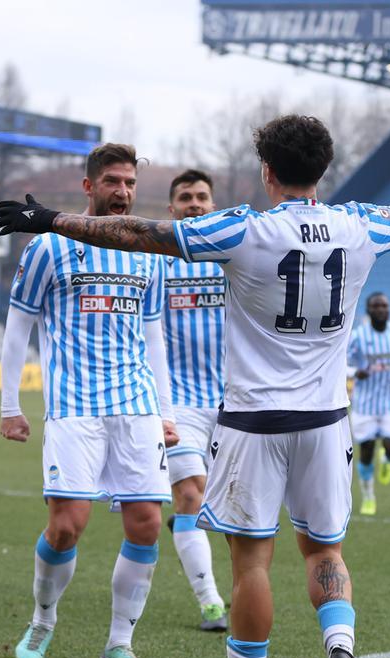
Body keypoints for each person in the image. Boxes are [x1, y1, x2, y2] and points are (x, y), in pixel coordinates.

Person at [0, 114, 390, 658]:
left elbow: (141, 233)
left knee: (252, 564)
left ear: (267, 171)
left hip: (253, 421)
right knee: (324, 548)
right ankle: (338, 646)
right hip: (326, 420)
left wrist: (53, 221)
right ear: (323, 170)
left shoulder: (242, 230)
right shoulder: (361, 225)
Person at [0, 143, 178, 658]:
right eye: (113, 182)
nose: (122, 192)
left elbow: (154, 337)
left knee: (146, 524)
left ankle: (119, 644)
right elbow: (18, 328)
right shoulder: (49, 248)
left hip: (137, 405)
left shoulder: (147, 249)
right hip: (74, 407)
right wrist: (11, 406)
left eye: (130, 183)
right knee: (66, 527)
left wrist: (165, 410)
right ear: (89, 186)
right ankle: (42, 621)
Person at [162, 169, 229, 632]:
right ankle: (210, 602)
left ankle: (186, 531)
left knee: (225, 510)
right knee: (190, 494)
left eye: (202, 197)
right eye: (185, 197)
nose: (194, 203)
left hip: (235, 402)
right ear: (172, 209)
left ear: (213, 204)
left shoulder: (232, 257)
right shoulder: (157, 260)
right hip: (178, 403)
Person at [347, 293, 390, 517]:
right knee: (366, 451)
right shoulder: (357, 337)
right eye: (376, 306)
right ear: (368, 310)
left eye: (384, 305)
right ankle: (369, 497)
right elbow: (339, 363)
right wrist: (355, 372)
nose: (381, 309)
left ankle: (386, 460)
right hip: (364, 404)